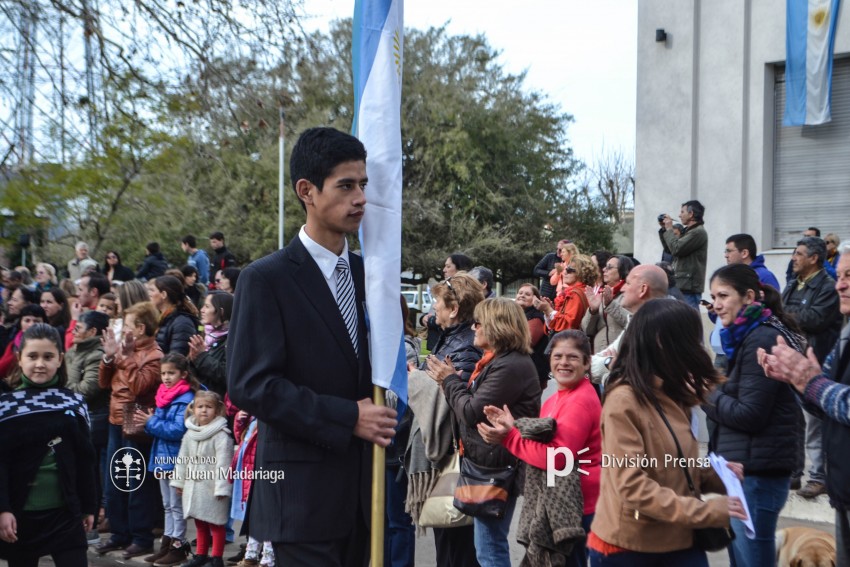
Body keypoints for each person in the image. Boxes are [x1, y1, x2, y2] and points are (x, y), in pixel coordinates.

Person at [226, 127, 397, 566]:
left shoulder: (369, 277)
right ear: (307, 191)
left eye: (363, 185)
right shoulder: (266, 279)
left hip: (367, 495)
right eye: (345, 186)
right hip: (300, 501)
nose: (360, 198)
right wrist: (347, 417)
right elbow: (251, 385)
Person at [587, 299, 746, 566]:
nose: (699, 347)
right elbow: (632, 486)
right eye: (692, 338)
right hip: (630, 548)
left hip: (680, 540)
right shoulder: (624, 400)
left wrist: (713, 474)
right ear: (663, 341)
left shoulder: (673, 392)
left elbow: (672, 462)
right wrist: (704, 511)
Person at [426, 297, 541, 567]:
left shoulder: (509, 365)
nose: (474, 328)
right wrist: (454, 381)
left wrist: (449, 380)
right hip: (489, 464)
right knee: (485, 547)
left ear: (497, 327)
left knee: (490, 550)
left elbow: (470, 412)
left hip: (497, 468)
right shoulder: (497, 361)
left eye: (479, 323)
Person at [702, 264, 804, 566]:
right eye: (713, 297)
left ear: (748, 297)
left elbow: (750, 414)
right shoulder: (744, 336)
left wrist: (706, 393)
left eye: (724, 296)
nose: (717, 305)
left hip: (758, 476)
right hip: (746, 472)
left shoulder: (760, 338)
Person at [758, 243, 850, 566]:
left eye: (849, 276)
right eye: (839, 275)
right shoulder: (846, 332)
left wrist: (812, 383)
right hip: (844, 491)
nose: (840, 284)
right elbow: (824, 406)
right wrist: (796, 381)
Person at [479, 329, 602, 567]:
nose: (563, 363)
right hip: (563, 503)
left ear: (587, 363)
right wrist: (512, 426)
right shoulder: (555, 398)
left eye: (572, 357)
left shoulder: (580, 401)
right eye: (557, 357)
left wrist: (509, 438)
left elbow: (558, 458)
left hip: (575, 508)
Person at [0, 324, 97, 566]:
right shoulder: (6, 406)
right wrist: (3, 510)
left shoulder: (74, 403)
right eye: (32, 356)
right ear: (20, 359)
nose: (40, 364)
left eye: (48, 356)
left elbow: (86, 458)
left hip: (66, 513)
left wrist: (90, 505)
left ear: (60, 359)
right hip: (20, 514)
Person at [406, 272, 484, 567]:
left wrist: (416, 379)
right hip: (454, 456)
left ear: (454, 309)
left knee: (456, 548)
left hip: (457, 457)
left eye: (437, 301)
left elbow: (455, 398)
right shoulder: (453, 338)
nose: (432, 307)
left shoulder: (465, 345)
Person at [96, 301, 163, 558]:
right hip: (114, 418)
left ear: (141, 328)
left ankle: (141, 537)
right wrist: (108, 357)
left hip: (135, 419)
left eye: (128, 324)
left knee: (136, 482)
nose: (122, 329)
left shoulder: (155, 355)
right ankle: (119, 534)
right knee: (114, 482)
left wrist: (124, 358)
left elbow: (138, 388)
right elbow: (104, 382)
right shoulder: (127, 350)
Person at [782, 236, 842, 499]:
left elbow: (815, 319)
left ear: (813, 259)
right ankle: (795, 473)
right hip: (792, 364)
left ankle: (818, 477)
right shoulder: (794, 284)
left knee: (815, 423)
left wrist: (784, 316)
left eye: (798, 254)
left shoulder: (828, 287)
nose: (793, 258)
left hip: (815, 365)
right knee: (792, 422)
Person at [135, 353, 197, 565]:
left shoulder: (185, 399)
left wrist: (150, 422)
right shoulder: (164, 395)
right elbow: (160, 428)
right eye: (163, 373)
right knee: (167, 504)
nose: (166, 377)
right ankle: (167, 545)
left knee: (176, 506)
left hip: (176, 459)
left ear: (184, 374)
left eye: (171, 373)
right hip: (162, 456)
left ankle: (178, 546)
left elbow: (177, 430)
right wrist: (150, 422)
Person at [170, 391, 234, 567]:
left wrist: (222, 488)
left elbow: (224, 464)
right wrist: (179, 481)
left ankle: (216, 558)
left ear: (217, 410)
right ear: (193, 409)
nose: (204, 410)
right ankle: (200, 556)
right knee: (200, 523)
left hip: (212, 488)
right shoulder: (190, 434)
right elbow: (183, 460)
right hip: (193, 488)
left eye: (208, 407)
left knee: (216, 523)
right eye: (200, 407)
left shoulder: (221, 436)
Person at [64, 310, 110, 545]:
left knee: (94, 475)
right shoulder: (72, 351)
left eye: (78, 328)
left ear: (92, 332)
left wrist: (64, 387)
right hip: (74, 419)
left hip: (94, 421)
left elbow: (86, 390)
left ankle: (94, 521)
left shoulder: (96, 354)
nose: (73, 331)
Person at [229, 408, 276, 567]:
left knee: (267, 517)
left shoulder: (265, 422)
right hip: (249, 476)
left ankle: (268, 557)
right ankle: (251, 555)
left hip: (263, 475)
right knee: (254, 517)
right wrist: (239, 421)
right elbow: (240, 439)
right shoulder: (252, 420)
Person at [660, 200, 708, 309]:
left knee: (690, 322)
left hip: (689, 287)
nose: (679, 215)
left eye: (682, 212)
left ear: (691, 214)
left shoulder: (698, 232)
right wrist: (664, 229)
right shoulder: (689, 231)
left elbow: (676, 249)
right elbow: (670, 249)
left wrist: (669, 229)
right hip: (683, 285)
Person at [421, 253, 474, 350]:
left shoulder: (463, 292)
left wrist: (431, 320)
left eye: (448, 266)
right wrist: (423, 318)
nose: (444, 270)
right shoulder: (444, 287)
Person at [582, 255, 633, 354]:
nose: (604, 269)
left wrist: (610, 304)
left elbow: (634, 323)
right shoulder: (603, 294)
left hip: (622, 358)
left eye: (609, 267)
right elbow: (587, 330)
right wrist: (593, 311)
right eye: (605, 266)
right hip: (601, 358)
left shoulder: (630, 295)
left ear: (623, 271)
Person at [535, 254, 596, 333]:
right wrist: (550, 311)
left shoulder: (575, 294)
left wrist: (548, 309)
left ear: (581, 273)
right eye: (566, 269)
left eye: (570, 270)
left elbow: (567, 325)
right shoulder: (579, 291)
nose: (565, 272)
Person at [188, 291, 232, 398]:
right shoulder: (205, 334)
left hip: (216, 402)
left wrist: (202, 356)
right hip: (199, 397)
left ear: (221, 312)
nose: (202, 310)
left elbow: (226, 375)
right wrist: (192, 359)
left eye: (207, 306)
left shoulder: (231, 340)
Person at [150, 275, 200, 356]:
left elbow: (177, 358)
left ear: (163, 294)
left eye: (152, 290)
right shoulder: (161, 318)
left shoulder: (182, 323)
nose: (150, 294)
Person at [515, 283, 549, 390]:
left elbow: (525, 343)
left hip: (531, 373)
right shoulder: (516, 315)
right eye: (520, 293)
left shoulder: (537, 318)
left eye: (527, 294)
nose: (522, 295)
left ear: (535, 299)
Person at [0, 304, 46, 380]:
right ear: (20, 322)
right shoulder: (13, 344)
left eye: (36, 321)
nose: (31, 324)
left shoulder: (50, 343)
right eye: (27, 320)